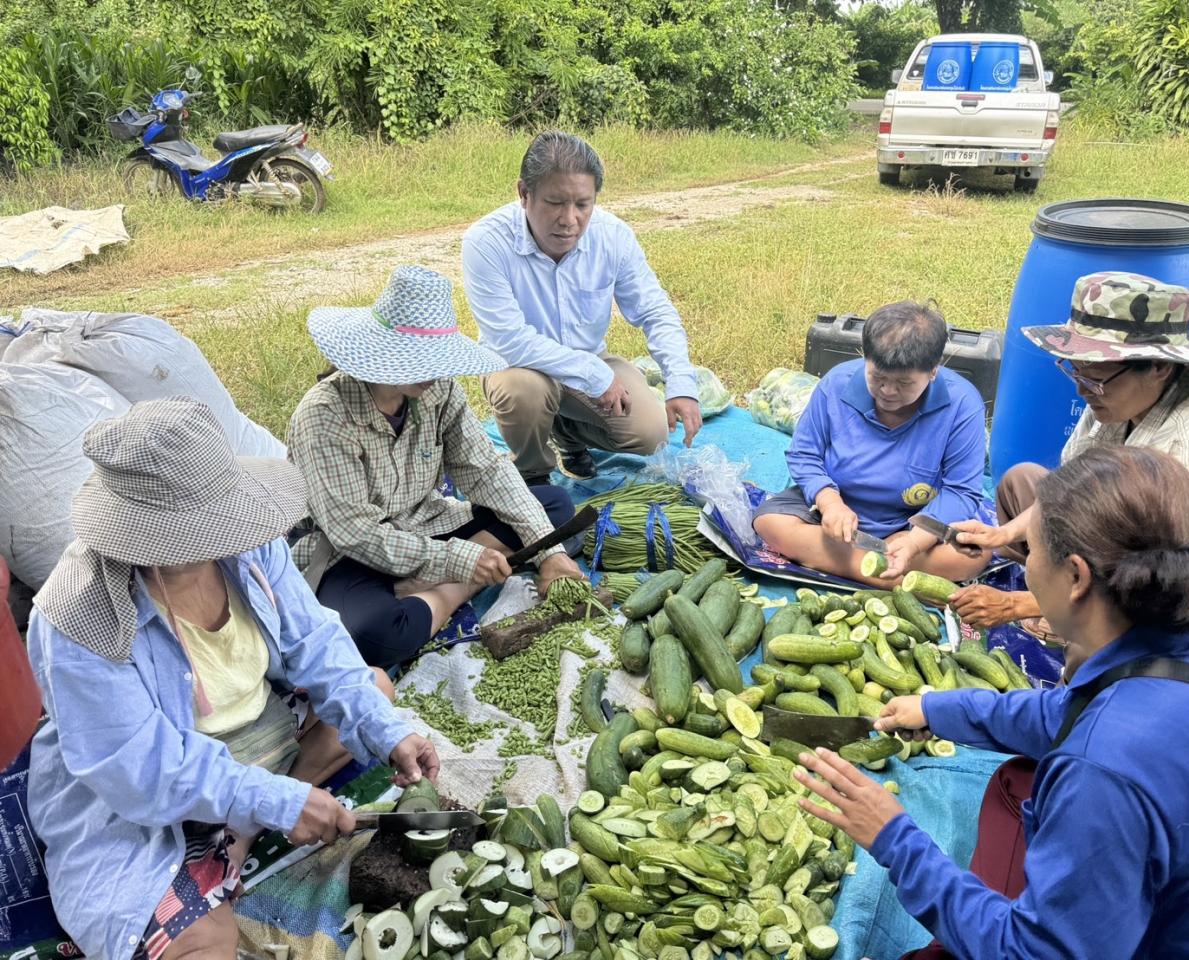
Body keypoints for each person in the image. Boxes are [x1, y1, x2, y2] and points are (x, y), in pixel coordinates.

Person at [795, 445, 1189, 959]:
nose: (1023, 565)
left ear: (1076, 577)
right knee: (1015, 784)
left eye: (1029, 547)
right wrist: (938, 710)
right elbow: (1064, 713)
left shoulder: (1101, 770)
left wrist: (893, 837)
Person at [26, 398, 440, 960]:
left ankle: (243, 826)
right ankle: (236, 827)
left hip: (258, 736)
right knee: (202, 945)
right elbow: (139, 770)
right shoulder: (78, 614)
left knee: (372, 692)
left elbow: (313, 641)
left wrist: (386, 730)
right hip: (153, 791)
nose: (207, 544)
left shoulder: (245, 542)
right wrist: (276, 799)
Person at [948, 271, 1189, 669]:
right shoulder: (1113, 403)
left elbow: (1172, 588)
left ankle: (1071, 622)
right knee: (1022, 482)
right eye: (1075, 371)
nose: (1082, 390)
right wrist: (1002, 533)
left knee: (1095, 647)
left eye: (1096, 379)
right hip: (1124, 551)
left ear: (1158, 367)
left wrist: (1019, 604)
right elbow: (1067, 492)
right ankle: (1066, 602)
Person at [288, 265, 584, 670]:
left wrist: (549, 550)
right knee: (371, 634)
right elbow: (354, 533)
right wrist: (461, 563)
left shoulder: (438, 390)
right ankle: (454, 591)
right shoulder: (323, 416)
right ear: (384, 353)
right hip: (349, 554)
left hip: (426, 525)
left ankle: (428, 590)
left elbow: (486, 472)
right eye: (423, 360)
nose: (439, 371)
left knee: (552, 505)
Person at [462, 130, 703, 485]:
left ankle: (566, 434)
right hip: (517, 364)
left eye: (582, 204)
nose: (569, 219)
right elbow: (509, 339)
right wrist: (595, 375)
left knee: (651, 434)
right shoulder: (486, 242)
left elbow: (655, 311)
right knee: (525, 393)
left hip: (589, 358)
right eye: (555, 202)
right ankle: (532, 474)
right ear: (524, 194)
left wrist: (681, 382)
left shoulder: (613, 236)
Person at [752, 301, 989, 586]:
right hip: (839, 518)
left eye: (904, 383)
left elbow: (961, 491)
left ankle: (863, 564)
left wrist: (914, 542)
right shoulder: (836, 384)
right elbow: (804, 455)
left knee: (974, 555)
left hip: (915, 521)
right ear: (864, 357)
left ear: (933, 371)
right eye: (877, 377)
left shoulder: (962, 403)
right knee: (770, 522)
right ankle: (892, 575)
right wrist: (830, 503)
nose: (888, 391)